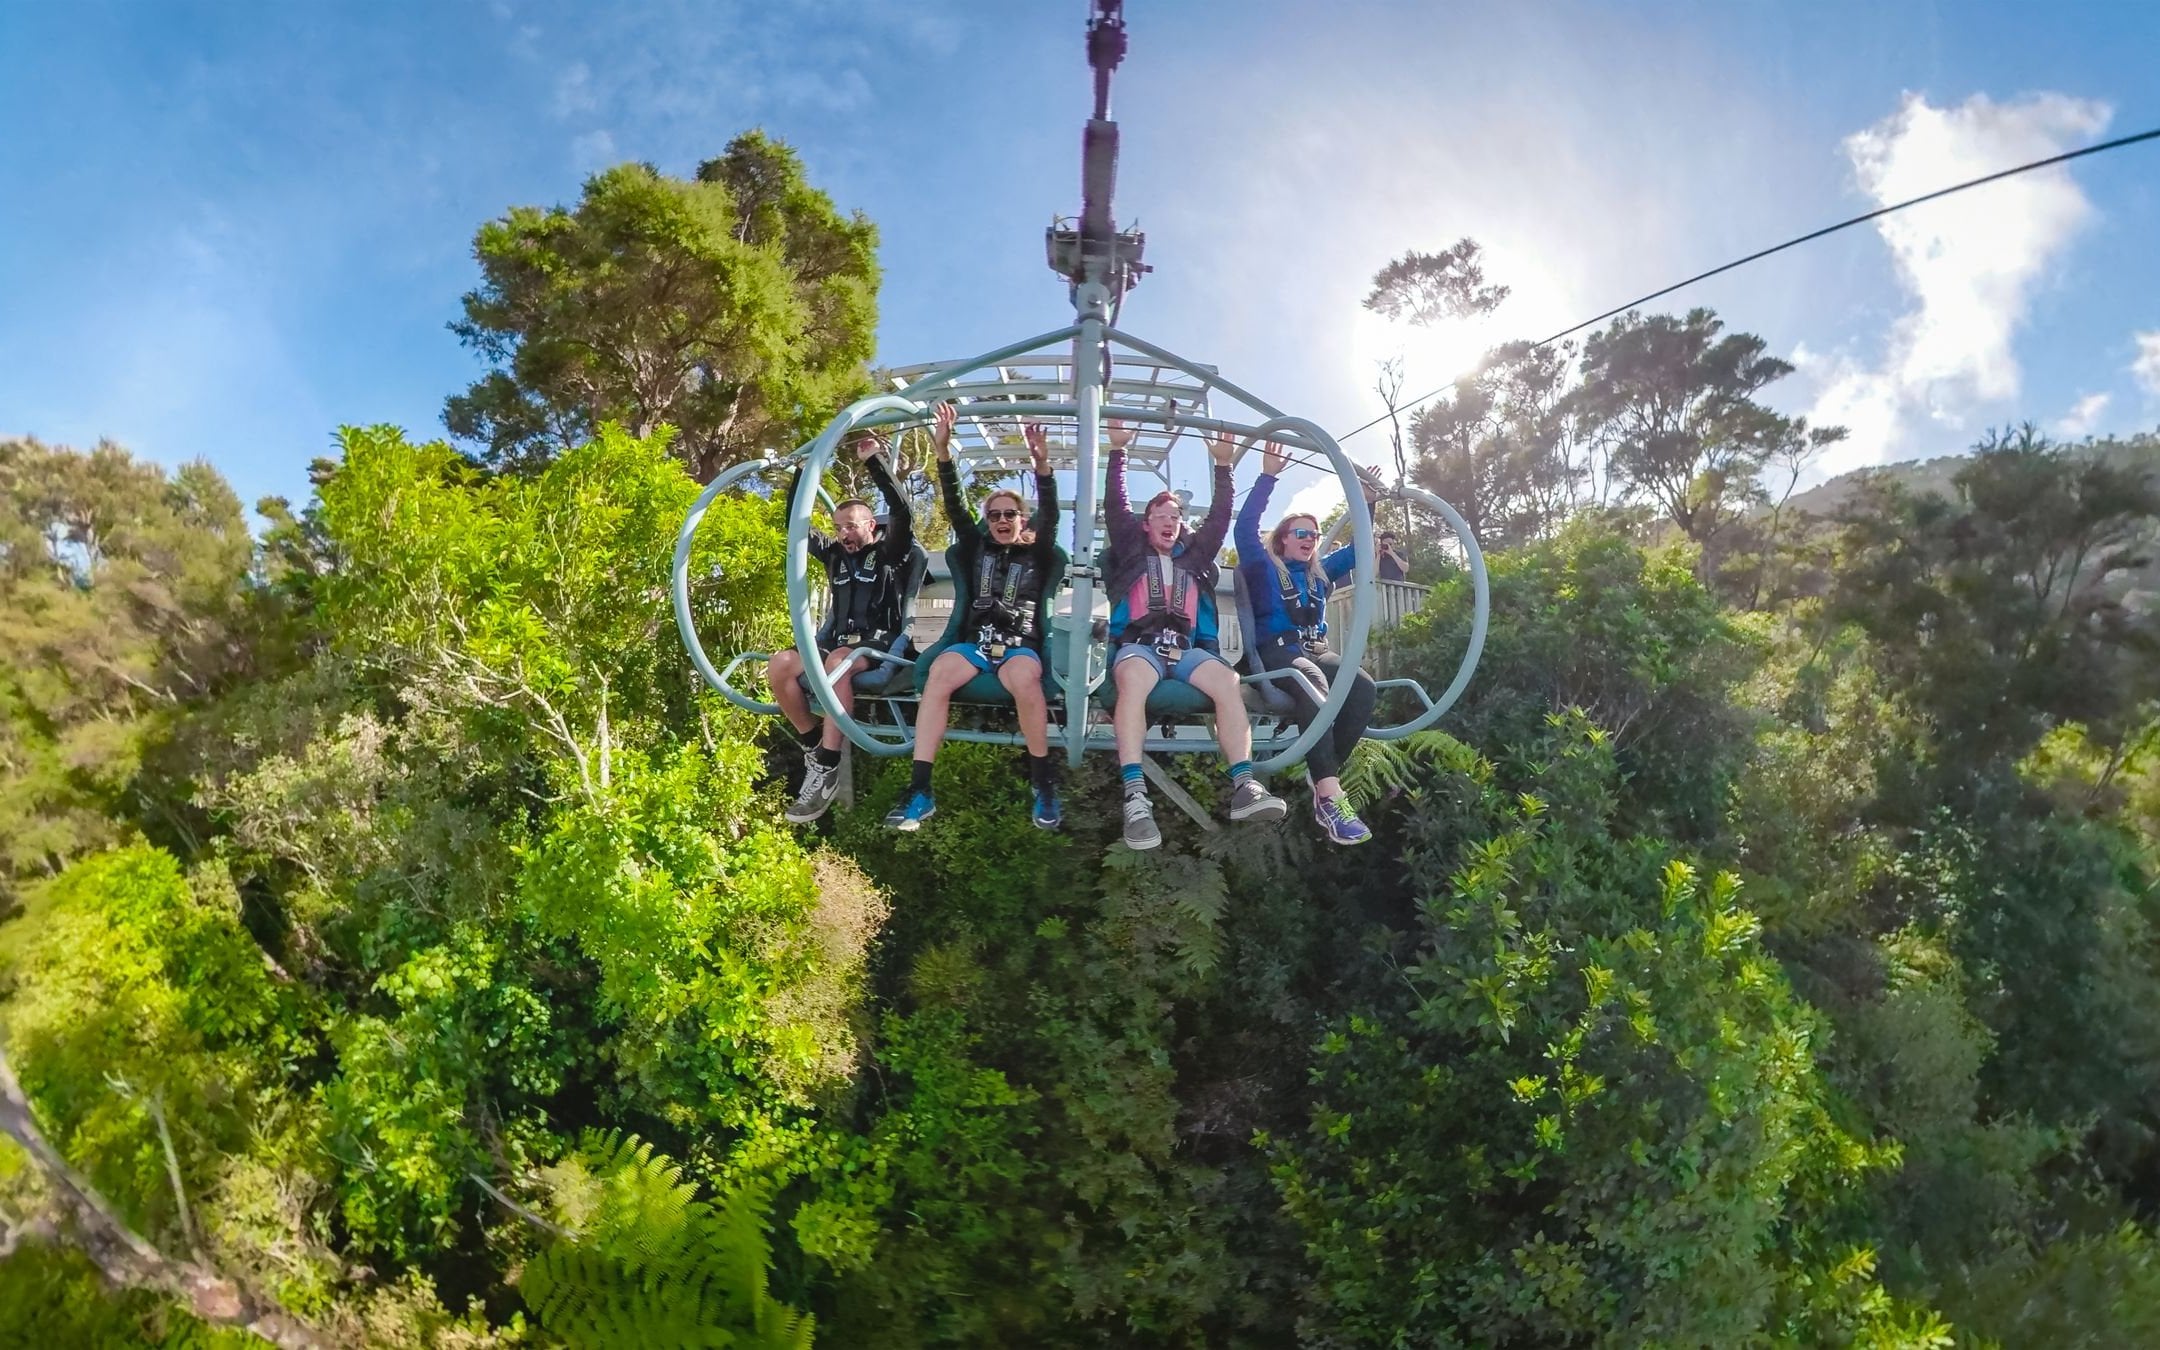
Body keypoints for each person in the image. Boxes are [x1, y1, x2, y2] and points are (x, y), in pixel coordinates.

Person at [1104, 419, 1285, 850]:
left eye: (1176, 517)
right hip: (1141, 647)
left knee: (1228, 681)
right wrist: (1118, 452)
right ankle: (1134, 795)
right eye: (1160, 516)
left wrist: (1224, 468)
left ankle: (1243, 784)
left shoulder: (1195, 558)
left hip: (1183, 650)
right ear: (1145, 525)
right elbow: (1116, 505)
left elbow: (1221, 520)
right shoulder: (1131, 550)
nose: (1170, 521)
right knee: (1131, 680)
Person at [886, 403, 1063, 831]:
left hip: (1020, 644)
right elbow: (954, 508)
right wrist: (943, 452)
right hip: (975, 644)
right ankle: (921, 789)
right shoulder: (975, 546)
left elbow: (1052, 514)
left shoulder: (1037, 552)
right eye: (995, 515)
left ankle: (1043, 784)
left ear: (1023, 520)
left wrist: (1042, 466)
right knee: (939, 674)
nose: (1002, 520)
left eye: (1010, 514)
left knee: (1024, 679)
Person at [1235, 442, 1383, 845]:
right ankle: (1331, 795)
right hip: (1277, 653)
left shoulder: (1320, 573)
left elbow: (1361, 550)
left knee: (1362, 687)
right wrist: (1268, 476)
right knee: (1311, 681)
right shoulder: (1264, 565)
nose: (1310, 539)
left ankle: (1322, 776)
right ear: (1282, 539)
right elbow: (1244, 530)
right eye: (1301, 533)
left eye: (1314, 535)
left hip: (1314, 649)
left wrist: (1366, 504)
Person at [771, 428, 915, 823]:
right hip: (837, 643)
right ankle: (815, 743)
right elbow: (795, 528)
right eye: (838, 527)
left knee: (837, 661)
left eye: (852, 526)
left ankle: (828, 765)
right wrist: (803, 472)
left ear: (871, 525)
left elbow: (901, 512)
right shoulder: (835, 554)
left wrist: (874, 462)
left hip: (878, 645)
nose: (844, 534)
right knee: (780, 664)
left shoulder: (889, 552)